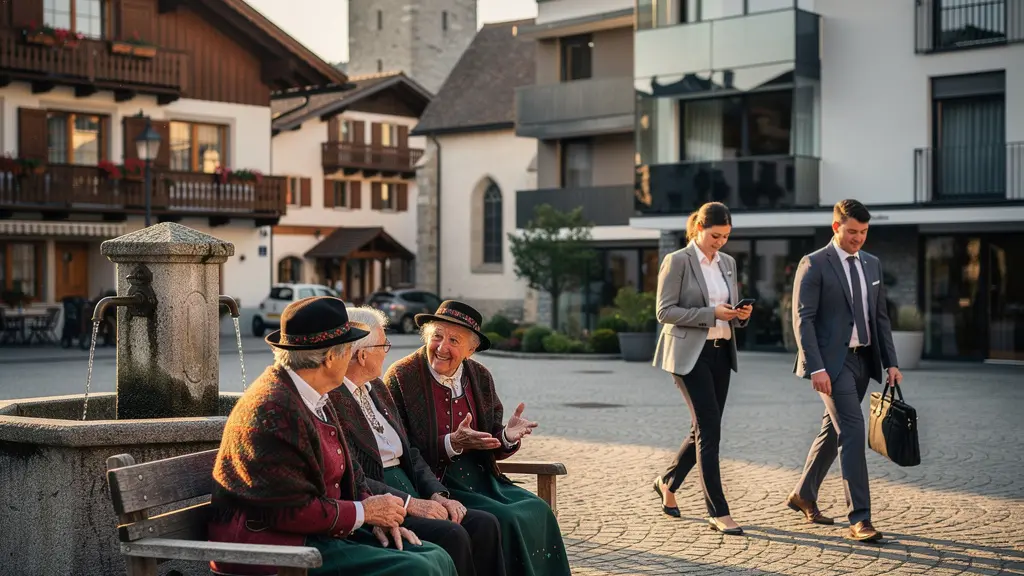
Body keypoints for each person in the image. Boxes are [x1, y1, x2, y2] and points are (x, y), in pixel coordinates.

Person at [207, 296, 457, 576]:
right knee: (416, 568)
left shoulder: (313, 396)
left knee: (436, 555)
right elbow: (289, 511)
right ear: (330, 358)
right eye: (348, 349)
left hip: (316, 536)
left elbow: (353, 472)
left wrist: (378, 515)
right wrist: (364, 513)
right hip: (276, 550)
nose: (352, 357)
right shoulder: (274, 408)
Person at [384, 300, 571, 576]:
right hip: (438, 482)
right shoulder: (403, 375)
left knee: (537, 509)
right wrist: (452, 443)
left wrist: (506, 436)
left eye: (454, 340)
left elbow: (491, 439)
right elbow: (402, 447)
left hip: (485, 479)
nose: (442, 347)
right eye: (437, 336)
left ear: (471, 350)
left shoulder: (480, 376)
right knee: (506, 518)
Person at [329, 305, 506, 576]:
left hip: (415, 487)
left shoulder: (376, 387)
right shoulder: (333, 398)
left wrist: (438, 494)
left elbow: (410, 453)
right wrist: (412, 503)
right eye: (383, 344)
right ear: (362, 355)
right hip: (382, 498)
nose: (388, 349)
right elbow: (353, 476)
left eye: (454, 340)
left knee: (485, 524)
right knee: (454, 534)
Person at [788, 199, 901, 543]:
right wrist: (815, 367)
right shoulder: (814, 264)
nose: (858, 238)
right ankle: (860, 518)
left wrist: (890, 362)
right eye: (852, 231)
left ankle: (803, 494)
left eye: (864, 232)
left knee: (833, 430)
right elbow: (803, 320)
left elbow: (879, 318)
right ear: (836, 227)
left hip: (863, 362)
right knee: (852, 430)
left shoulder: (872, 264)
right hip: (831, 365)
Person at [651, 201, 752, 536]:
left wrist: (737, 315)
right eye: (715, 235)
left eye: (725, 236)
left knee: (702, 428)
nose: (720, 242)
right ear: (698, 228)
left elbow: (725, 306)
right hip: (688, 355)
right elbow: (665, 312)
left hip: (722, 352)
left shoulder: (728, 263)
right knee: (710, 429)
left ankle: (668, 482)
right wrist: (712, 314)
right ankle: (718, 511)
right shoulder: (677, 260)